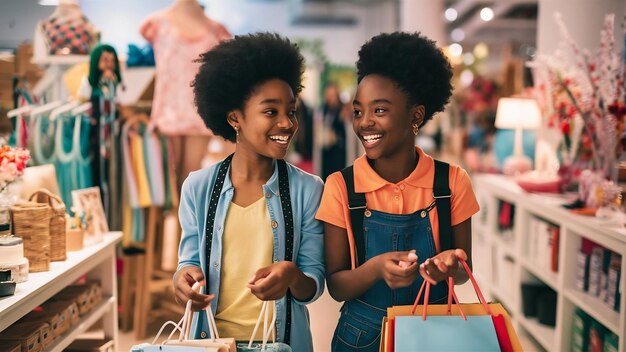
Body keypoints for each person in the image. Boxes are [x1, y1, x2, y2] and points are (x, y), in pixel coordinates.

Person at [316, 32, 480, 351]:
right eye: (359, 111)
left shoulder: (451, 182)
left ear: (415, 116)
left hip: (436, 331)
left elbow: (463, 272)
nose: (365, 123)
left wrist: (447, 266)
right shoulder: (340, 186)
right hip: (362, 336)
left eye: (379, 111)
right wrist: (375, 269)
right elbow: (336, 284)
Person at [173, 32, 325, 352]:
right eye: (271, 112)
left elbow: (312, 287)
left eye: (292, 111)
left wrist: (291, 275)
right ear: (234, 118)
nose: (287, 123)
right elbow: (187, 263)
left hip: (278, 343)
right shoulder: (197, 188)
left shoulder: (308, 191)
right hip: (211, 343)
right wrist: (184, 278)